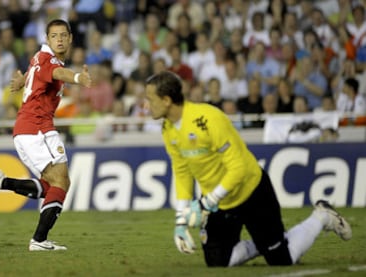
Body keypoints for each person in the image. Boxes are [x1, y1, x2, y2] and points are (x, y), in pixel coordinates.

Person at [144, 71, 352, 267]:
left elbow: (239, 168)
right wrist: (181, 221)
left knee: (281, 260)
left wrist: (207, 202)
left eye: (150, 99)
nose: (146, 106)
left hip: (251, 191)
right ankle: (264, 244)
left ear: (166, 100)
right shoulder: (168, 128)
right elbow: (182, 171)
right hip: (220, 204)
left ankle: (322, 216)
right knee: (217, 262)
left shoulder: (208, 119)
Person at [0, 19, 92, 251]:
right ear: (47, 40)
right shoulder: (50, 61)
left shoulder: (40, 57)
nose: (59, 39)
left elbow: (37, 71)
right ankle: (38, 241)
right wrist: (78, 78)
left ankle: (2, 182)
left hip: (35, 128)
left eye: (63, 35)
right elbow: (57, 73)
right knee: (60, 182)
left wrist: (23, 79)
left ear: (70, 38)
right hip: (35, 128)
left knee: (54, 185)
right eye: (54, 36)